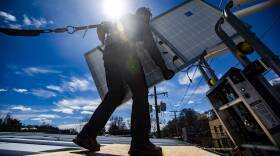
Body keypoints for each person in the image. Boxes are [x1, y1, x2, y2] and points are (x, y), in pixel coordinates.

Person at [73, 7, 174, 155]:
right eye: (148, 17)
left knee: (115, 94)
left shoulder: (120, 21)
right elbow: (151, 47)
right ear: (145, 15)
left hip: (109, 57)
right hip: (128, 57)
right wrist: (164, 69)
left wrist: (105, 43)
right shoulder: (142, 22)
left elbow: (101, 28)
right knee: (140, 94)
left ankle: (87, 135)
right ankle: (140, 143)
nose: (148, 19)